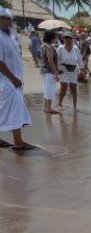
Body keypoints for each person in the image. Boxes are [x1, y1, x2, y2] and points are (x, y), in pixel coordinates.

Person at [0, 8, 34, 151]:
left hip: (14, 80)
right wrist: (13, 78)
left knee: (6, 110)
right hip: (6, 81)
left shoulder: (11, 37)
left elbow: (16, 59)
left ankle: (16, 140)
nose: (8, 21)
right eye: (5, 18)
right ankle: (18, 141)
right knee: (15, 109)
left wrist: (18, 78)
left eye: (9, 18)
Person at [56, 32, 84, 114]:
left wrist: (82, 70)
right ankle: (60, 104)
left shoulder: (76, 49)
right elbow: (57, 60)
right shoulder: (60, 48)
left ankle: (75, 106)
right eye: (66, 38)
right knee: (63, 89)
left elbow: (79, 60)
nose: (68, 40)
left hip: (74, 70)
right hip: (64, 70)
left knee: (74, 88)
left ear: (73, 39)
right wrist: (58, 69)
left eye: (69, 38)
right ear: (64, 39)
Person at [39, 30, 60, 114]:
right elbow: (50, 61)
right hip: (49, 71)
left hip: (44, 70)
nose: (56, 38)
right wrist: (56, 73)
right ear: (51, 37)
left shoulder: (44, 45)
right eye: (55, 36)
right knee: (50, 89)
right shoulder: (48, 47)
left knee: (46, 88)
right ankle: (48, 108)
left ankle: (46, 107)